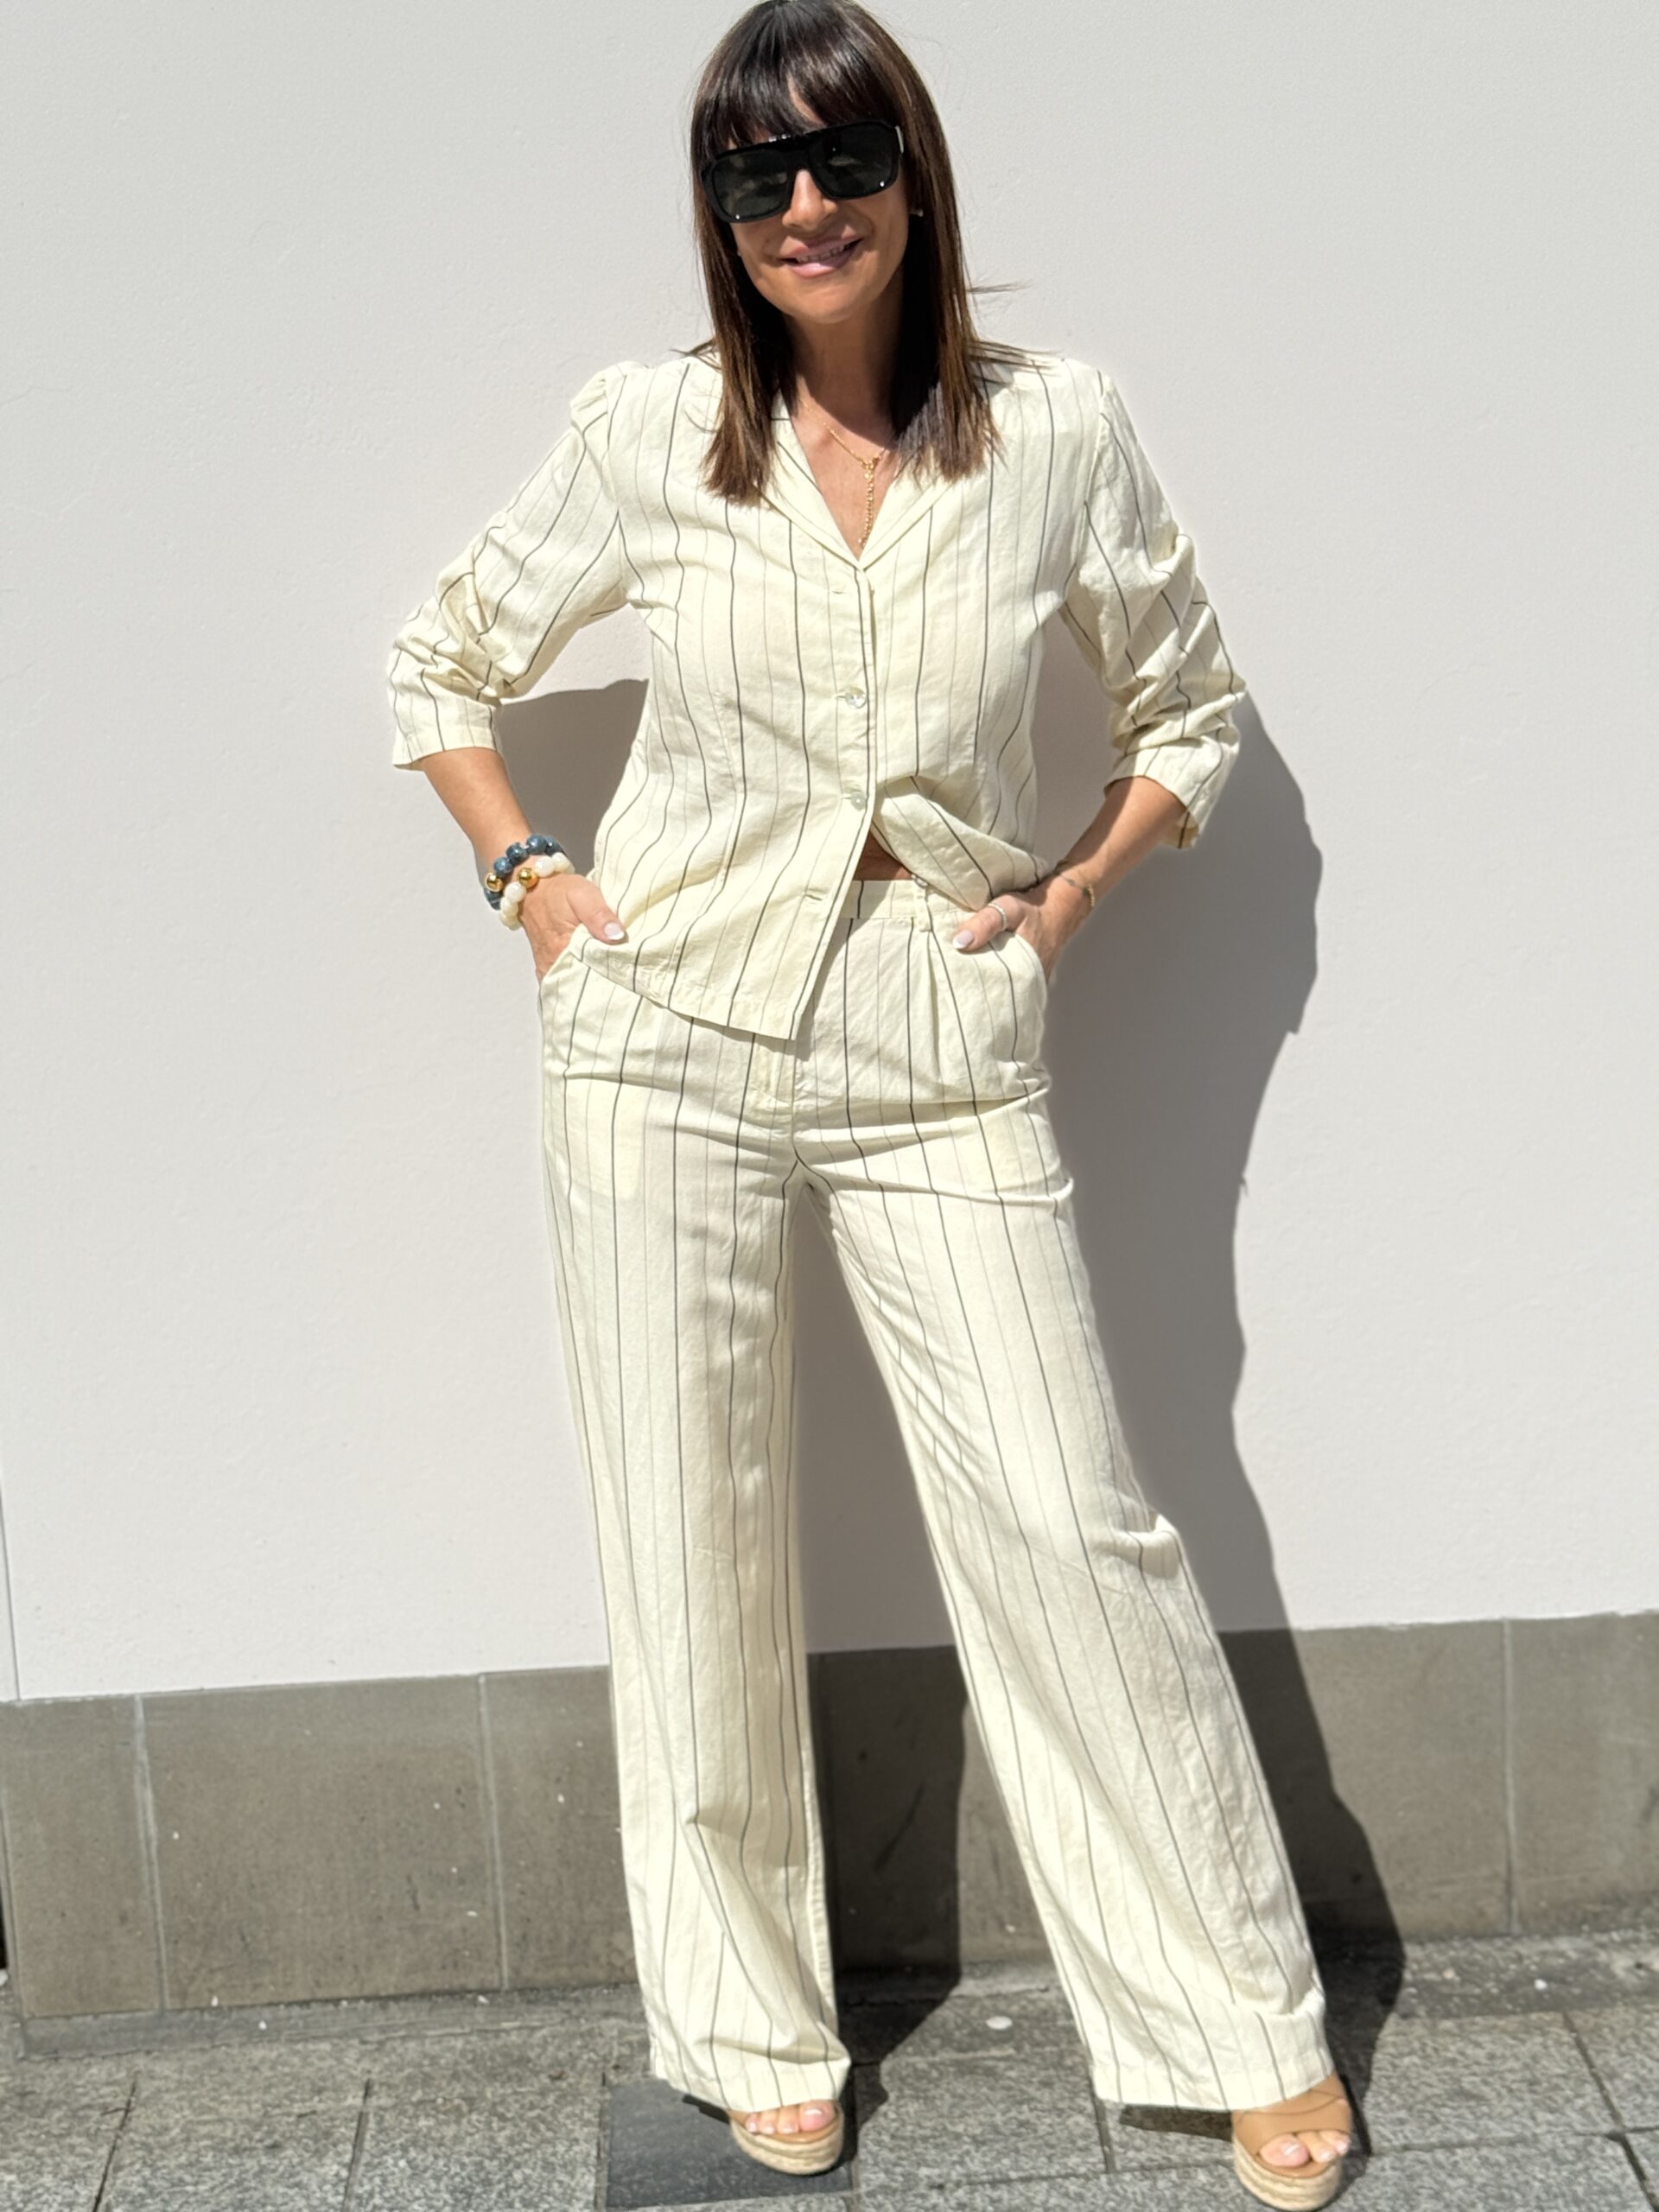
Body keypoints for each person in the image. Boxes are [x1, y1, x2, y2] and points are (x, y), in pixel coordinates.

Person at [385, 1, 1354, 2200]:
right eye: (758, 174)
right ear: (718, 212)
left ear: (914, 175)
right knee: (689, 1541)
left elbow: (1190, 708)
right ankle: (747, 2021)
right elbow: (436, 658)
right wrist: (537, 884)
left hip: (938, 1035)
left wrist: (1067, 898)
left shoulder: (1057, 432)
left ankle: (1232, 2015)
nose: (804, 205)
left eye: (843, 160)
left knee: (1068, 1516)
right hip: (665, 1036)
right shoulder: (648, 432)